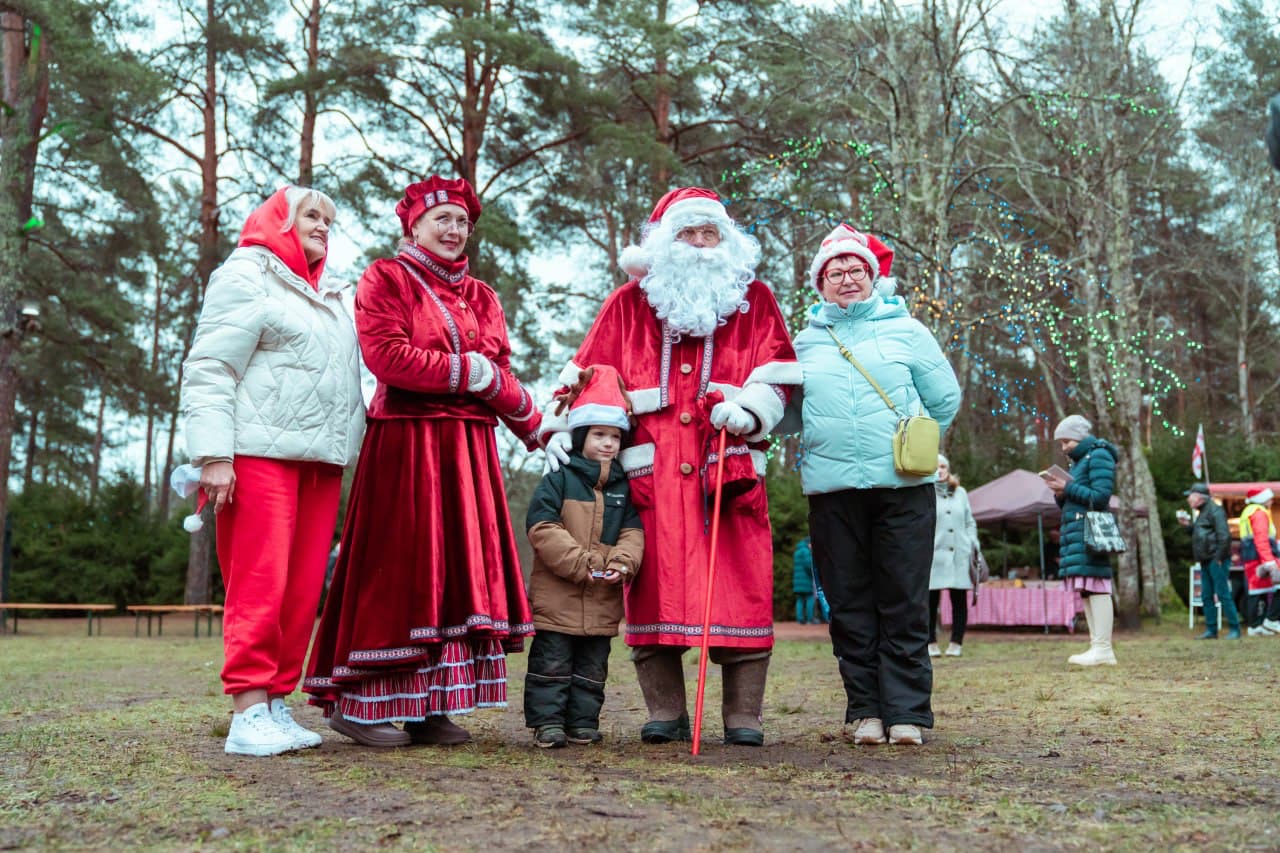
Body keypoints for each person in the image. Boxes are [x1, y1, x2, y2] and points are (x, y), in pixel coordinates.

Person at [541, 187, 801, 747]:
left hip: (728, 472)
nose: (701, 244)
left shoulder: (756, 300)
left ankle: (744, 716)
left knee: (740, 585)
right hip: (650, 478)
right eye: (688, 233)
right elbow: (586, 374)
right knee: (653, 587)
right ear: (665, 242)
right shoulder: (627, 304)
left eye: (710, 234)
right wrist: (560, 428)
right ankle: (665, 711)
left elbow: (780, 375)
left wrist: (752, 409)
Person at [303, 176, 543, 747]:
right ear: (414, 226)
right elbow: (387, 357)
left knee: (456, 576)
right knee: (402, 570)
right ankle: (361, 704)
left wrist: (535, 426)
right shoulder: (386, 278)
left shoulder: (483, 296)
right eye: (443, 220)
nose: (454, 230)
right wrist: (469, 372)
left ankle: (430, 706)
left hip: (469, 448)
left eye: (462, 222)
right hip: (409, 444)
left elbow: (500, 372)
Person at [180, 186, 365, 756]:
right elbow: (211, 366)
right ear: (277, 222)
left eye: (329, 220)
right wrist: (214, 455)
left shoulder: (333, 292)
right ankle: (247, 712)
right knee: (260, 583)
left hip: (321, 461)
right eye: (311, 215)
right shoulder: (246, 274)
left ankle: (276, 703)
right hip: (258, 455)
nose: (323, 226)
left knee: (301, 590)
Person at [779, 223, 961, 747]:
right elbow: (787, 417)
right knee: (849, 603)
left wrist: (908, 438)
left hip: (902, 488)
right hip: (832, 492)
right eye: (835, 272)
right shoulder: (804, 343)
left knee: (903, 599)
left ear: (873, 275)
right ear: (820, 284)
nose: (847, 278)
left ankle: (906, 713)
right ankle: (865, 711)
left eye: (856, 269)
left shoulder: (907, 330)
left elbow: (944, 400)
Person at [523, 365, 644, 748]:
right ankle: (548, 724)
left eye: (615, 436)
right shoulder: (558, 479)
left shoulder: (623, 488)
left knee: (593, 667)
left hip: (602, 600)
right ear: (580, 436)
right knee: (551, 664)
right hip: (557, 597)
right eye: (599, 435)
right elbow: (542, 528)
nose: (608, 443)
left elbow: (633, 533)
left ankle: (582, 722)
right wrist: (581, 562)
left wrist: (622, 562)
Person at [1041, 415, 1119, 666]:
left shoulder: (1099, 455)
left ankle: (1103, 648)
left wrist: (1067, 487)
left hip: (1091, 531)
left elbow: (1101, 497)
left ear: (1080, 437)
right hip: (1077, 532)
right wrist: (1060, 493)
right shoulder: (1079, 462)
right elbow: (1077, 499)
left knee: (1097, 586)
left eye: (1067, 441)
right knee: (1087, 588)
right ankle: (1097, 646)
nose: (1064, 447)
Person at [928, 454, 978, 658]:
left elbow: (969, 521)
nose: (939, 470)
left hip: (959, 553)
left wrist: (972, 542)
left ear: (948, 469)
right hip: (934, 554)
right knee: (929, 601)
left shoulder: (961, 492)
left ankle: (956, 643)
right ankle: (930, 642)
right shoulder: (926, 492)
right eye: (935, 467)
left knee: (959, 600)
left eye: (943, 466)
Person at [1178, 482, 1241, 640]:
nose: (1188, 499)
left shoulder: (1215, 511)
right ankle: (1211, 630)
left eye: (1190, 496)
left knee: (1222, 594)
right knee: (1206, 595)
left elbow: (1224, 536)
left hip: (1216, 559)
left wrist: (1219, 557)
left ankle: (1235, 629)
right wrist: (1188, 526)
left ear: (1199, 498)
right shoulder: (1203, 512)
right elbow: (1201, 533)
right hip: (1206, 559)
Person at [1237, 487, 1280, 636]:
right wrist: (1269, 561)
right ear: (1262, 499)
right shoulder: (1259, 513)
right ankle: (1271, 620)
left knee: (1256, 591)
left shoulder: (1249, 511)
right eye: (1269, 498)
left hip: (1252, 557)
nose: (1272, 501)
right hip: (1261, 558)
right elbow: (1261, 539)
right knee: (1272, 587)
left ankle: (1255, 625)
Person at [793, 537, 816, 624]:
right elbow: (809, 565)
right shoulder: (806, 551)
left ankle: (800, 619)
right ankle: (810, 619)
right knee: (810, 598)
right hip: (806, 580)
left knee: (800, 599)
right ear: (808, 543)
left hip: (798, 581)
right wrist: (814, 574)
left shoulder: (797, 551)